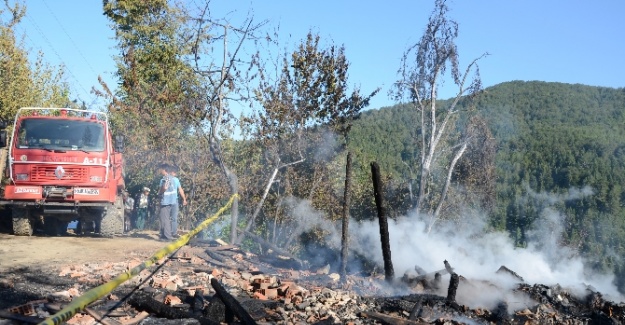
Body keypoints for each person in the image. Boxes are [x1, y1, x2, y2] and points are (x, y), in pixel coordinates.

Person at [157, 163, 176, 241]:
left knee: (165, 219)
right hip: (170, 201)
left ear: (164, 170)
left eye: (161, 169)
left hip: (166, 201)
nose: (160, 171)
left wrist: (160, 193)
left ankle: (167, 237)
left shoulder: (166, 178)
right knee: (164, 218)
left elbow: (165, 187)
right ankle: (164, 235)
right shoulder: (172, 178)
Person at [168, 165, 187, 237]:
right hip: (167, 200)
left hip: (174, 200)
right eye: (174, 172)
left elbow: (180, 189)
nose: (175, 174)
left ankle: (174, 233)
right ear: (171, 172)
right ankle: (165, 232)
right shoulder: (166, 179)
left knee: (174, 217)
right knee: (166, 217)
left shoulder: (176, 180)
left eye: (175, 173)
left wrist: (184, 199)